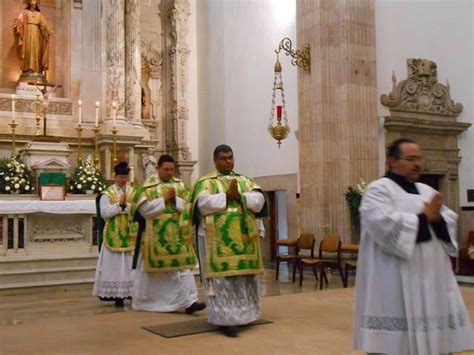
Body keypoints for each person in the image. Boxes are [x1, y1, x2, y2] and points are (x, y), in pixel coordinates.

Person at [353, 138, 474, 354]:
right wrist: (425, 218)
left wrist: (437, 220)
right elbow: (384, 226)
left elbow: (447, 220)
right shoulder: (378, 191)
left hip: (431, 283)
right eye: (410, 159)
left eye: (418, 159)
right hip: (393, 281)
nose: (417, 164)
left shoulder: (427, 191)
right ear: (392, 161)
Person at [180, 144, 268, 337]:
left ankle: (246, 314)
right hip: (216, 241)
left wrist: (242, 197)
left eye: (231, 157)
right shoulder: (205, 182)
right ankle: (225, 319)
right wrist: (226, 197)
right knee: (223, 280)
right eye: (224, 158)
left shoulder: (244, 180)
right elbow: (201, 204)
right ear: (215, 160)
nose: (228, 161)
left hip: (244, 240)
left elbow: (259, 200)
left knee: (243, 278)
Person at [132, 154, 205, 314]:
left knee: (183, 269)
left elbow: (189, 208)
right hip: (155, 235)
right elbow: (144, 211)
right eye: (166, 169)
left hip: (178, 234)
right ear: (157, 168)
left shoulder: (179, 185)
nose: (169, 172)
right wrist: (163, 201)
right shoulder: (148, 186)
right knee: (155, 272)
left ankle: (189, 301)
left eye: (172, 169)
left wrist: (175, 201)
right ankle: (152, 302)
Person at [92, 162, 138, 307]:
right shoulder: (107, 194)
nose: (123, 180)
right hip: (114, 233)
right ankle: (117, 295)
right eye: (121, 177)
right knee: (116, 265)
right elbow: (104, 212)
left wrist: (127, 207)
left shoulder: (133, 192)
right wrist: (120, 207)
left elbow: (137, 209)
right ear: (115, 176)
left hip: (130, 233)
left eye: (126, 177)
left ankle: (131, 292)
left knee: (129, 264)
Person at [13, 0, 54, 83]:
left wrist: (48, 32)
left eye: (35, 0)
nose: (33, 2)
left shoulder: (39, 15)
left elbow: (44, 25)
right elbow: (18, 20)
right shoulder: (25, 12)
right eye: (31, 0)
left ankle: (37, 70)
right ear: (29, 2)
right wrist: (17, 25)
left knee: (37, 51)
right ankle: (27, 70)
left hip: (37, 35)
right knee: (28, 50)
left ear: (37, 2)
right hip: (27, 34)